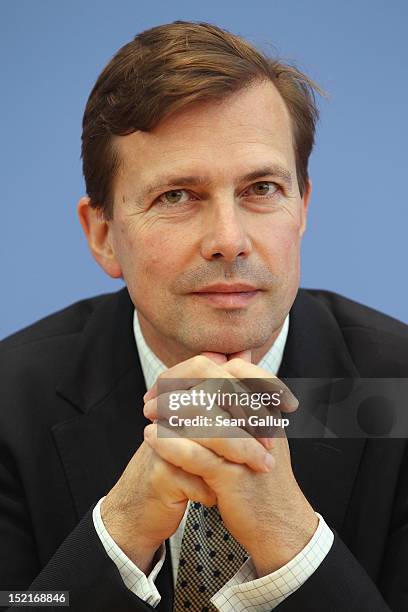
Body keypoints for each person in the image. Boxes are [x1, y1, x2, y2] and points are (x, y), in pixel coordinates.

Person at [0, 19, 407, 612]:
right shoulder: (10, 401)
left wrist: (292, 543)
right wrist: (118, 533)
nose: (229, 239)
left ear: (303, 208)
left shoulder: (400, 389)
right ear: (104, 234)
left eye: (262, 188)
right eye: (177, 196)